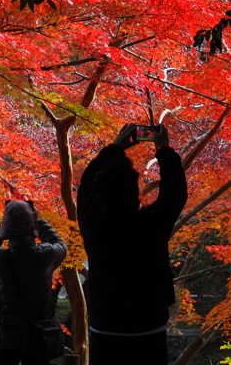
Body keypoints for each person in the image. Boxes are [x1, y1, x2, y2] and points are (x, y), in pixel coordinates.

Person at [77, 123, 187, 365]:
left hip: (105, 325)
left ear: (100, 192)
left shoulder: (93, 223)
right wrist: (164, 150)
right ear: (136, 195)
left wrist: (114, 148)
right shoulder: (152, 224)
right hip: (149, 324)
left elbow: (84, 188)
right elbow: (175, 193)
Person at [0, 200, 67, 365]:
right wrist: (38, 222)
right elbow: (61, 245)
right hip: (38, 333)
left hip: (4, 335)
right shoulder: (47, 255)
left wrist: (0, 231)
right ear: (33, 227)